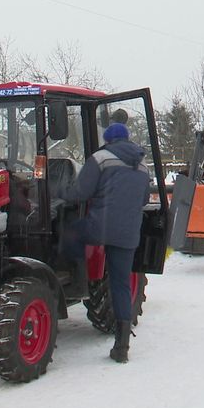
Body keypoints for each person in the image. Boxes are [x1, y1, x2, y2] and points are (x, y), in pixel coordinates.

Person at [60, 121, 150, 363]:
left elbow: (80, 193)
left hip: (99, 229)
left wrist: (60, 193)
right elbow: (143, 199)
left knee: (68, 235)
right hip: (129, 234)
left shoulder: (100, 158)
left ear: (108, 139)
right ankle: (121, 346)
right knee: (120, 284)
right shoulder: (141, 163)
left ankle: (71, 279)